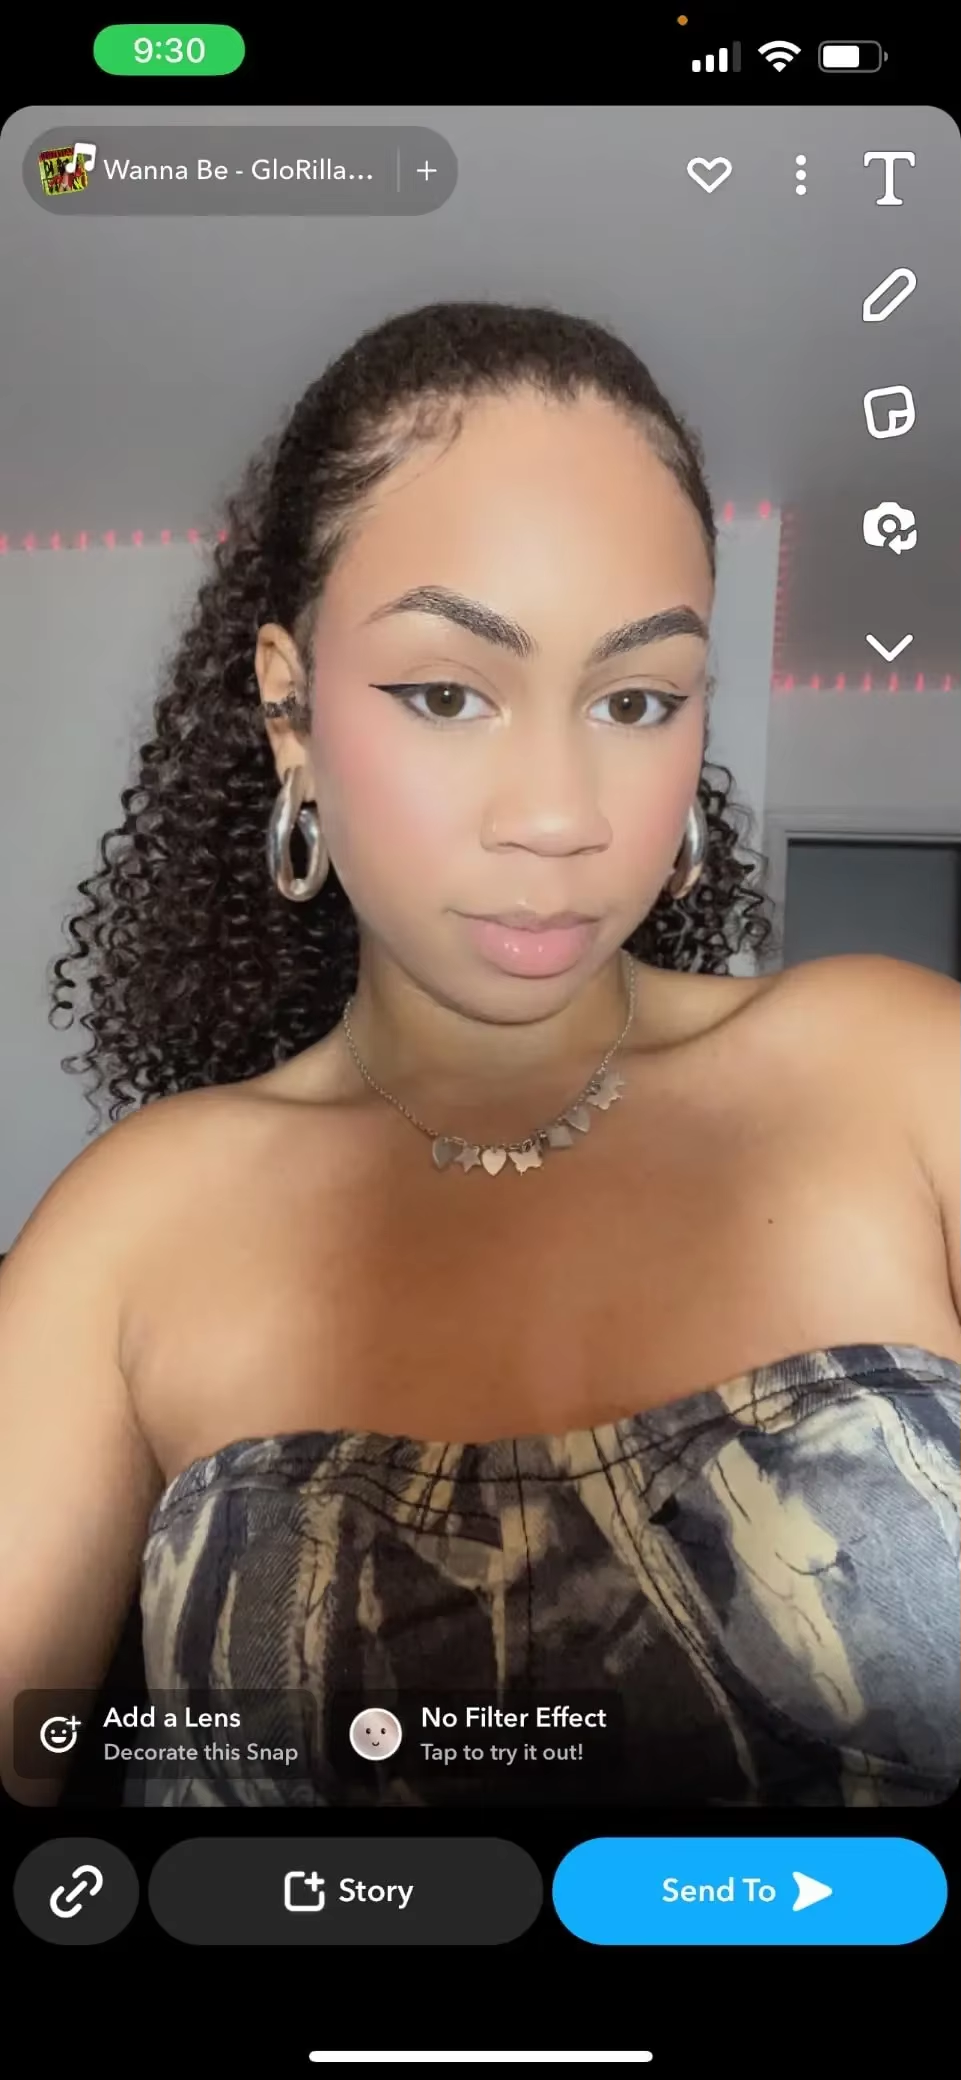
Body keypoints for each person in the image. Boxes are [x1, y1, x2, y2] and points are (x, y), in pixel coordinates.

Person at [1, 301, 958, 1812]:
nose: (560, 816)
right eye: (447, 694)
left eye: (636, 700)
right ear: (290, 710)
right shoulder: (126, 1231)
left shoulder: (903, 1072)